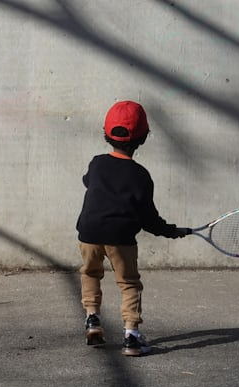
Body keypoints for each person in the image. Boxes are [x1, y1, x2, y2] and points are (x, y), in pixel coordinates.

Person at [76, 100, 189, 356]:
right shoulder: (141, 176)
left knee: (90, 273)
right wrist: (171, 231)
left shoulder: (97, 164)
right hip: (121, 237)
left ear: (106, 133)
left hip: (89, 233)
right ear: (143, 137)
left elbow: (87, 181)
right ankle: (132, 336)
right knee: (128, 283)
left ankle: (92, 319)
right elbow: (149, 219)